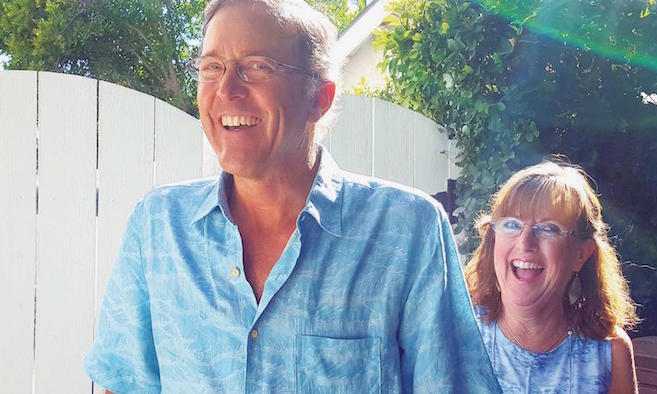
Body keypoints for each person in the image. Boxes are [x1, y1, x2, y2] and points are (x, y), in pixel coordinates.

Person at [84, 0, 501, 392]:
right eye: (212, 66)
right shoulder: (158, 227)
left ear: (319, 98)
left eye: (257, 66)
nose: (226, 89)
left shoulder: (406, 232)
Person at [464, 160, 640, 393]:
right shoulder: (458, 331)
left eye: (548, 228)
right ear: (493, 239)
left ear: (580, 254)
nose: (525, 243)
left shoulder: (609, 353)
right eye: (512, 224)